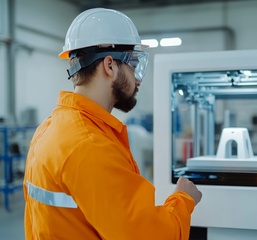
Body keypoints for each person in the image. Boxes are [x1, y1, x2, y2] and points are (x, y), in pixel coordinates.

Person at [23, 8, 202, 240]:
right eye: (134, 65)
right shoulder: (90, 146)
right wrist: (183, 199)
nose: (137, 79)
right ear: (109, 65)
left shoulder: (50, 128)